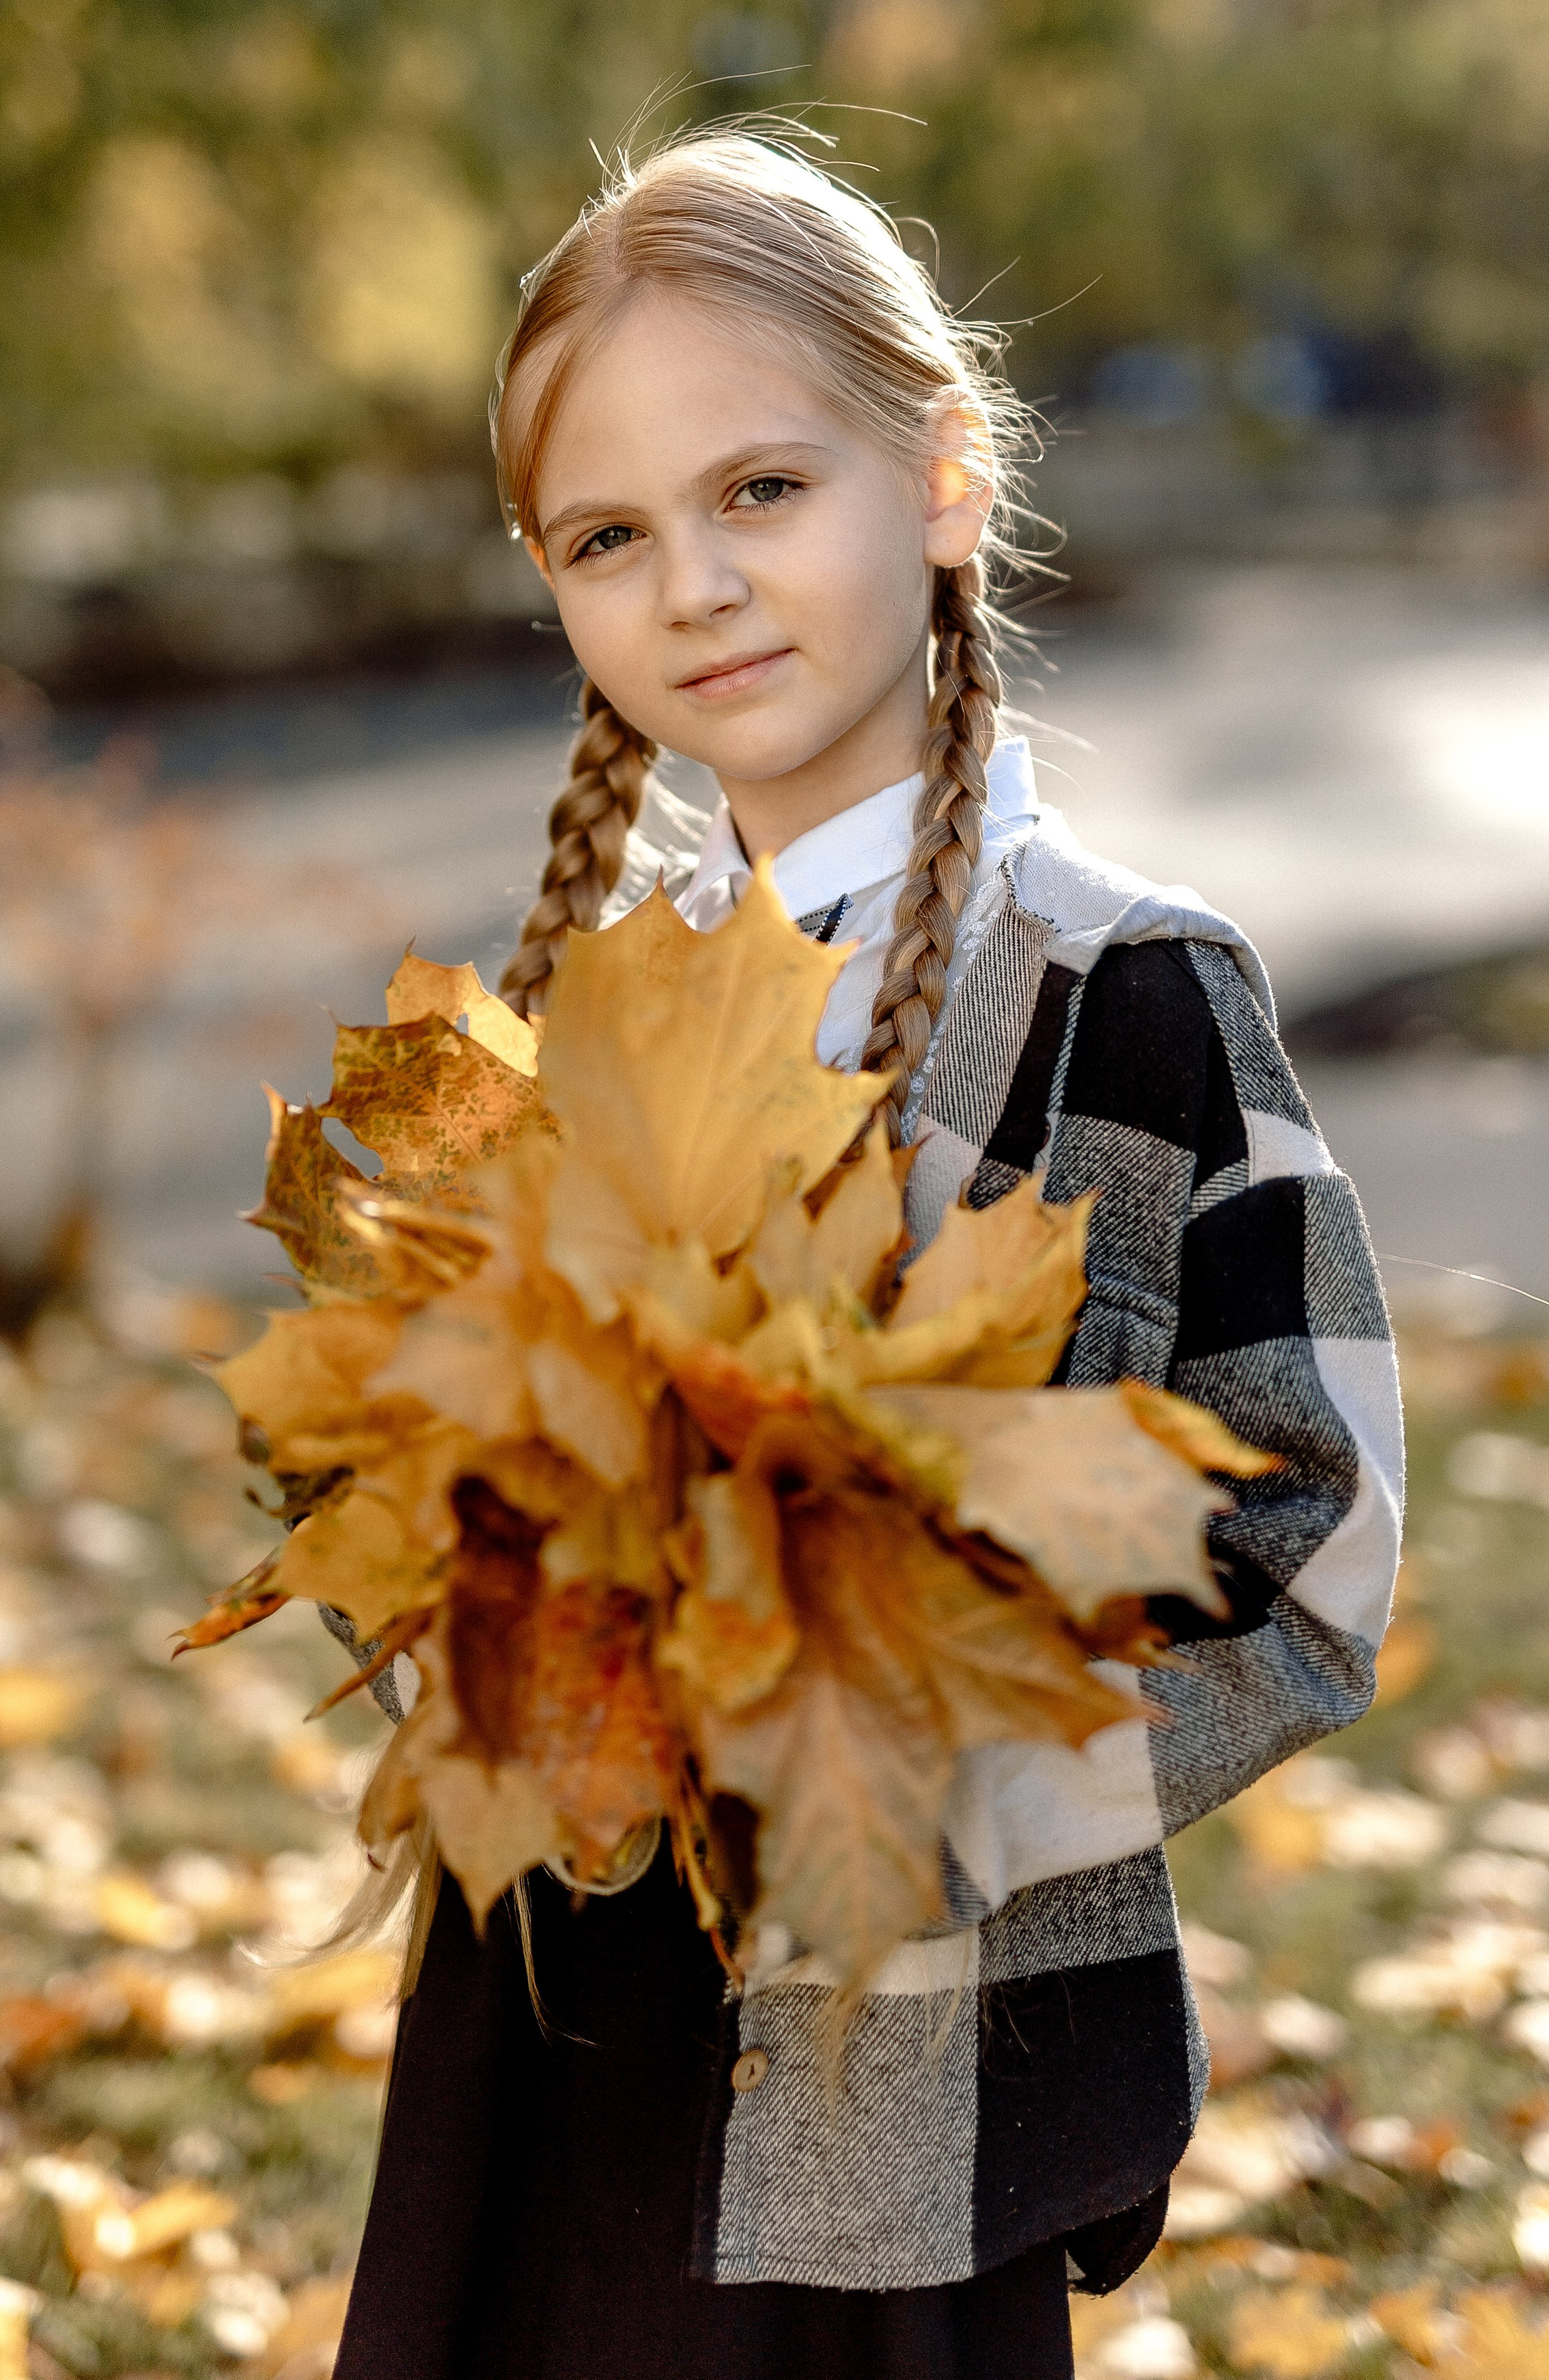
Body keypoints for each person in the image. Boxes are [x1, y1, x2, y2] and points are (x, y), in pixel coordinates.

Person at [331, 128, 1403, 2380]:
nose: (695, 587)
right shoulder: (569, 1018)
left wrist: (944, 1785)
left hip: (910, 2065)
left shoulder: (1128, 991)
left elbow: (1312, 1540)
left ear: (939, 475)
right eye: (608, 538)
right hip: (561, 2025)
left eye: (759, 494)